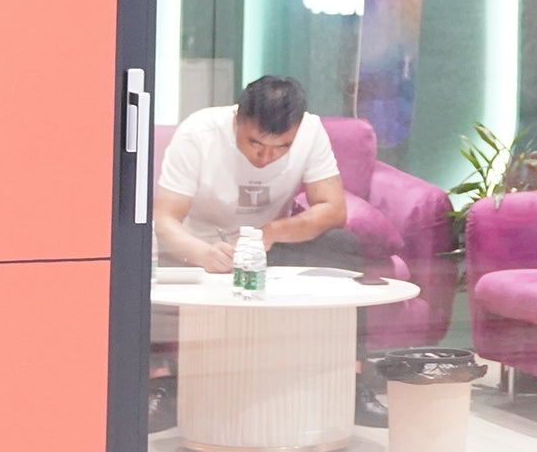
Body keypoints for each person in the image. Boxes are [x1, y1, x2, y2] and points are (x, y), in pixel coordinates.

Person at [150, 75, 386, 428]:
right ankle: (162, 384)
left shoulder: (311, 131)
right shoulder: (199, 133)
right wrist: (201, 254)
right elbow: (165, 218)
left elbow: (332, 209)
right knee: (141, 264)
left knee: (341, 245)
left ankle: (350, 384)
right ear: (237, 119)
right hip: (195, 249)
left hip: (263, 249)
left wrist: (272, 232)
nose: (265, 157)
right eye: (255, 143)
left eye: (281, 147)